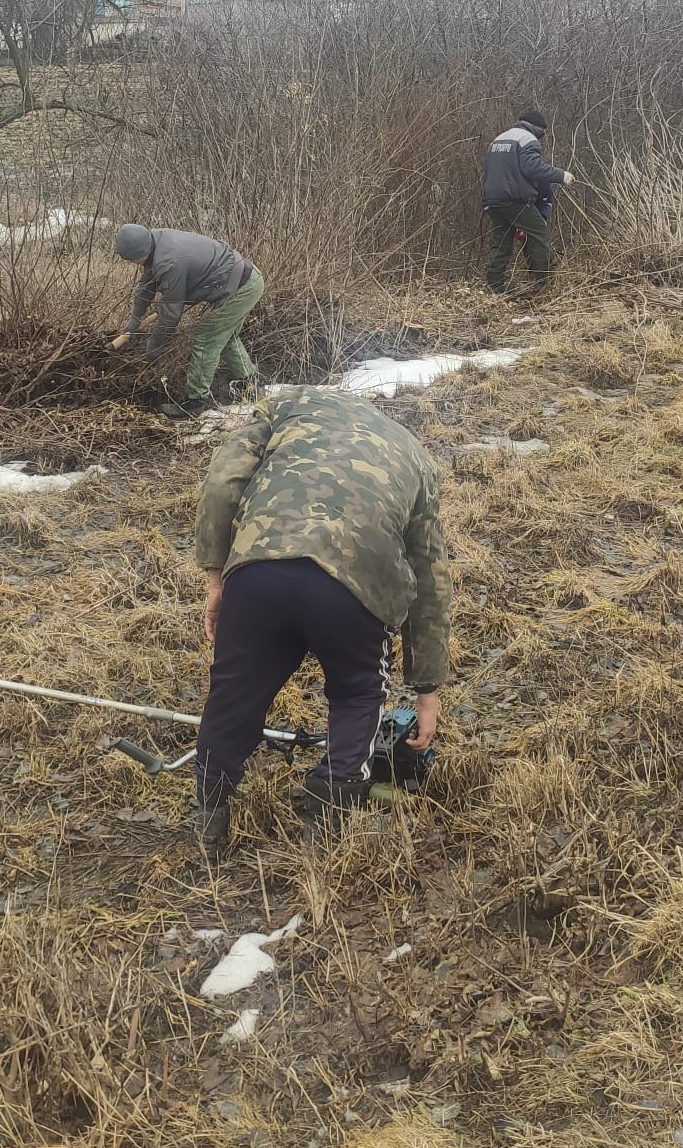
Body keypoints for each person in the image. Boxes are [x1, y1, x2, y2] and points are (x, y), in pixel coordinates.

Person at [191, 386, 451, 854]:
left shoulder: (287, 405)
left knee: (236, 687)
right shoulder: (415, 455)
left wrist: (216, 578)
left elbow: (222, 482)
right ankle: (327, 822)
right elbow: (430, 575)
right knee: (357, 691)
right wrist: (428, 690)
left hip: (261, 568)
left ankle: (211, 815)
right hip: (357, 587)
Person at [110, 223, 264, 417]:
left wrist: (156, 343)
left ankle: (194, 402)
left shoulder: (169, 261)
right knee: (225, 336)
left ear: (142, 251)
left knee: (206, 336)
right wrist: (134, 318)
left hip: (242, 286)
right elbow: (147, 285)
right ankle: (249, 382)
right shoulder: (155, 241)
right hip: (244, 278)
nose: (134, 263)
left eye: (133, 259)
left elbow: (171, 312)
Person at [481, 109, 574, 293]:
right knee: (540, 235)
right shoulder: (527, 140)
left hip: (492, 200)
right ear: (535, 127)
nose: (542, 135)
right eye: (542, 131)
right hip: (515, 199)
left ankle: (496, 283)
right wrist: (560, 175)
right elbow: (533, 168)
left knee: (501, 241)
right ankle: (542, 283)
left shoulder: (499, 139)